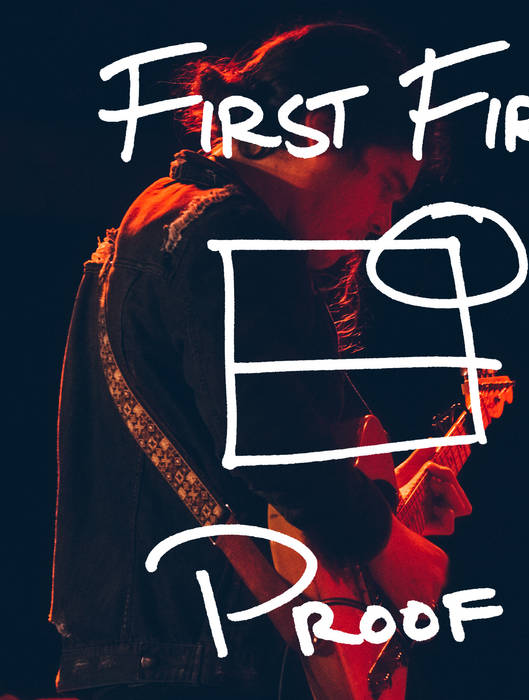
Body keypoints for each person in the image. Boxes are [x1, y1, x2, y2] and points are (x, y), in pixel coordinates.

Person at [50, 22, 470, 699]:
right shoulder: (231, 232)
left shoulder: (156, 223)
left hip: (140, 658)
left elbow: (245, 456)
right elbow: (270, 443)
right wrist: (386, 545)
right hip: (201, 667)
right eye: (388, 184)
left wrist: (387, 504)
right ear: (318, 129)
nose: (384, 221)